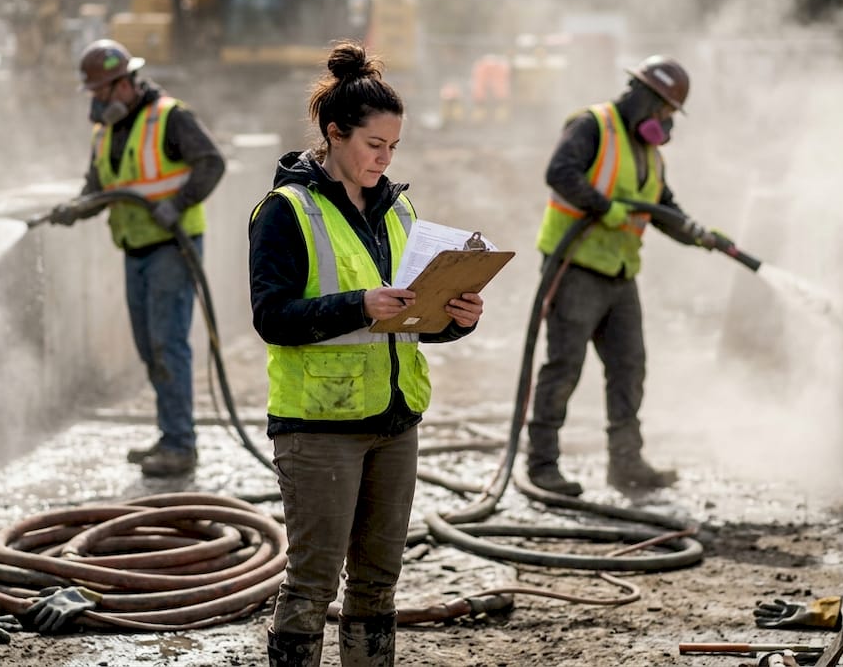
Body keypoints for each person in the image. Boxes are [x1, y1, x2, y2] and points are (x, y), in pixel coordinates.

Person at [248, 41, 484, 666]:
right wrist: (359, 305)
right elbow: (271, 319)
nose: (384, 158)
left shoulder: (396, 208)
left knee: (378, 586)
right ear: (334, 135)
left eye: (394, 147)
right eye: (374, 144)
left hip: (394, 420)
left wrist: (454, 318)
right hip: (320, 428)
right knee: (311, 586)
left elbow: (406, 319)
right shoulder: (286, 212)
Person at [526, 55, 721, 496]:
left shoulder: (650, 154)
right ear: (645, 98)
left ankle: (626, 464)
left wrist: (698, 235)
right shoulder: (593, 126)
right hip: (574, 267)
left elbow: (662, 208)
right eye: (666, 109)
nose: (667, 121)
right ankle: (542, 465)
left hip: (619, 274)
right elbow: (559, 173)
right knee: (564, 368)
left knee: (629, 368)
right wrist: (602, 206)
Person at [49, 39, 226, 478]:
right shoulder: (105, 131)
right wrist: (76, 207)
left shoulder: (170, 117)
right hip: (135, 248)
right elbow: (99, 188)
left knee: (168, 344)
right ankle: (170, 435)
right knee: (150, 347)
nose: (96, 100)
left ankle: (181, 445)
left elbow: (211, 163)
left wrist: (179, 203)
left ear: (124, 83)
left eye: (101, 91)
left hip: (172, 245)